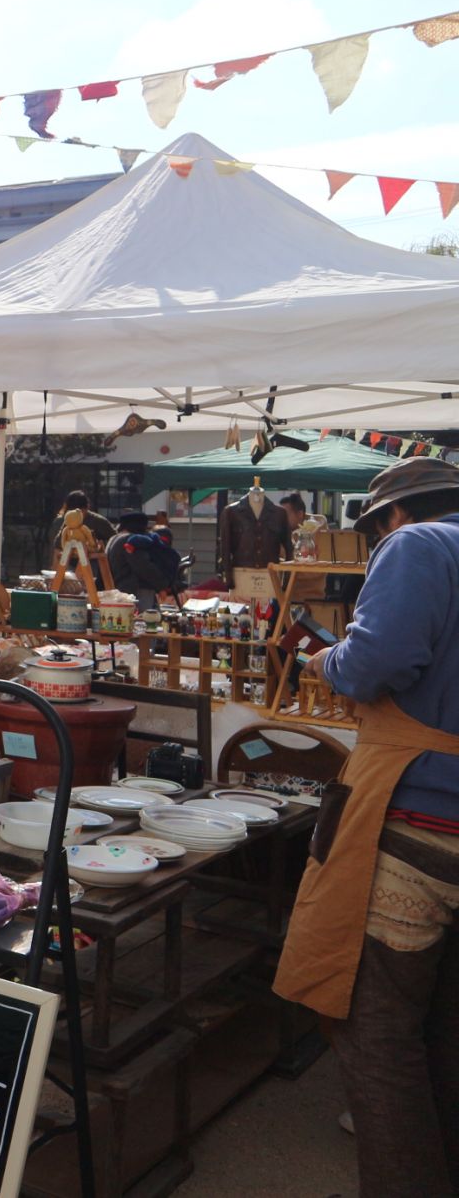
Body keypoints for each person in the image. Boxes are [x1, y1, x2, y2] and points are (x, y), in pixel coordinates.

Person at [275, 457, 459, 1198]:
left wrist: (327, 658)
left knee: (374, 1029)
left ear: (391, 517)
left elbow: (375, 663)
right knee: (445, 1027)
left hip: (421, 821)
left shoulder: (418, 544)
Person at [103, 511, 181, 609]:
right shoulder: (132, 540)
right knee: (143, 617)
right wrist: (162, 585)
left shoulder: (113, 539)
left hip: (117, 590)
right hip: (135, 591)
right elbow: (144, 566)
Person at [47, 490, 115, 561]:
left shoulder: (98, 521)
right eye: (73, 512)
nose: (77, 516)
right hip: (69, 560)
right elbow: (57, 545)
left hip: (92, 560)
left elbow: (114, 541)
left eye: (80, 512)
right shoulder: (66, 521)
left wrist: (96, 545)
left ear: (87, 507)